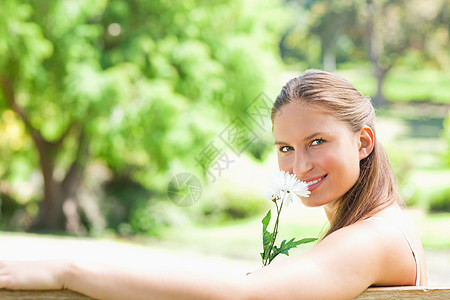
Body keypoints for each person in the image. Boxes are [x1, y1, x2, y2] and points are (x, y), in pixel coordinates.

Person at [0, 69, 427, 299]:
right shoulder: (379, 225)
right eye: (285, 148)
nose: (299, 165)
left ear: (363, 142)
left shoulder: (372, 238)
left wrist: (67, 271)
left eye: (317, 141)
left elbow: (244, 296)